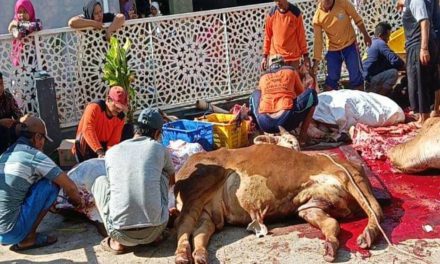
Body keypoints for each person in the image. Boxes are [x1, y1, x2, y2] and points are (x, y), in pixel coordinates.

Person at [91, 108, 175, 254]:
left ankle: (117, 243)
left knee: (100, 182)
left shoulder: (112, 152)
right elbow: (172, 180)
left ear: (136, 129)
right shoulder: (158, 148)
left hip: (120, 233)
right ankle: (155, 236)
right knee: (162, 176)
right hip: (155, 230)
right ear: (157, 133)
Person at [0, 115, 82, 251]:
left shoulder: (5, 155)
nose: (43, 144)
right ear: (37, 137)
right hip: (11, 232)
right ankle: (28, 238)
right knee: (50, 185)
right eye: (43, 139)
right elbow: (70, 187)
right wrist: (78, 203)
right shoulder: (34, 155)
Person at [250, 57, 318, 144]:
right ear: (284, 63)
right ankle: (302, 138)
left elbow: (260, 96)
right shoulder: (291, 71)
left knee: (254, 94)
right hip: (285, 121)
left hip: (265, 123)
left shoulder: (263, 77)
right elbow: (301, 94)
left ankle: (261, 137)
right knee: (312, 94)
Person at [312, 0, 371, 91]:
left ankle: (360, 100)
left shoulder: (343, 3)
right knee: (332, 79)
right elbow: (318, 41)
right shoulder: (317, 17)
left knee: (356, 77)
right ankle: (330, 104)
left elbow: (357, 18)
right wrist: (316, 63)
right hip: (333, 49)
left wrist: (366, 35)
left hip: (350, 45)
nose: (328, 1)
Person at [397, 0, 440, 124]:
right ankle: (424, 114)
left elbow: (424, 21)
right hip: (417, 44)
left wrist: (424, 48)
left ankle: (424, 117)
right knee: (419, 80)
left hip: (418, 44)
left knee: (420, 82)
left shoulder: (417, 1)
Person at [72, 86, 127, 162]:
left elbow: (114, 140)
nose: (119, 110)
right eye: (117, 106)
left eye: (121, 107)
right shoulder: (94, 107)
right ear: (108, 99)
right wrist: (99, 151)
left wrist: (110, 155)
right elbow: (87, 129)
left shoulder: (120, 118)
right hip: (85, 146)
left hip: (103, 148)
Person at [261, 0, 309, 71]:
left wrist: (305, 55)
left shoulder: (295, 13)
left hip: (293, 57)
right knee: (279, 81)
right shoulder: (271, 14)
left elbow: (301, 36)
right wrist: (264, 56)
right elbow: (267, 36)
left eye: (279, 0)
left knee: (292, 80)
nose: (278, 3)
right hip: (276, 57)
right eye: (276, 1)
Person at [363, 22, 405, 95]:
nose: (388, 40)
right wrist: (405, 67)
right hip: (369, 82)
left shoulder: (371, 43)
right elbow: (394, 60)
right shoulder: (380, 43)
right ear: (380, 35)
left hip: (364, 81)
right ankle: (381, 98)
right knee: (393, 73)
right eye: (387, 37)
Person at [8, 0, 42, 66]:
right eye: (19, 12)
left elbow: (36, 26)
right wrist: (14, 27)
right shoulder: (14, 26)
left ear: (30, 11)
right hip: (21, 60)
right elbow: (17, 34)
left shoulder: (37, 22)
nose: (22, 15)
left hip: (36, 58)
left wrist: (18, 24)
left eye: (25, 12)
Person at [0, 72, 23, 154]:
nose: (0, 88)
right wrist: (1, 122)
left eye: (1, 84)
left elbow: (18, 114)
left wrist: (20, 120)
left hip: (8, 134)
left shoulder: (8, 96)